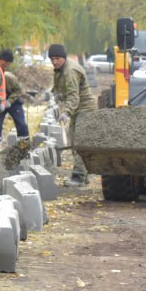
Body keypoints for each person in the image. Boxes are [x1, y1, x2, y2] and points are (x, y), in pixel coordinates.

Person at [48, 43, 98, 186]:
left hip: (84, 108)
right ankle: (84, 176)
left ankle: (78, 177)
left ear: (63, 58)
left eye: (57, 58)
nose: (54, 61)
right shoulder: (59, 69)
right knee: (73, 142)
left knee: (79, 142)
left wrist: (66, 113)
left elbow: (74, 96)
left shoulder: (70, 71)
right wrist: (54, 95)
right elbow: (58, 87)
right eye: (52, 59)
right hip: (76, 108)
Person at [0, 69, 30, 143]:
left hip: (14, 102)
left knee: (21, 124)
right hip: (0, 102)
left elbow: (19, 91)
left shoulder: (9, 77)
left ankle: (24, 146)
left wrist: (9, 101)